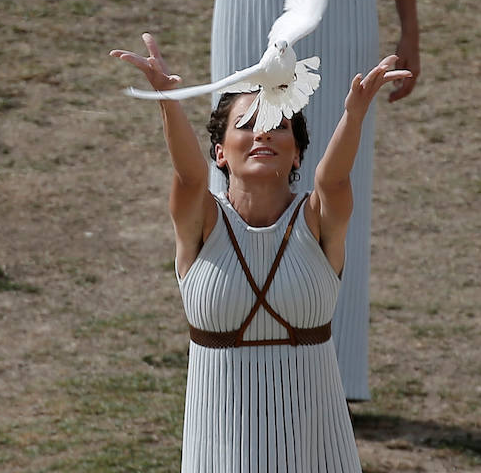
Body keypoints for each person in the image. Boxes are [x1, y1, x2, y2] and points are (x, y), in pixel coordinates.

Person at [111, 33, 411, 472]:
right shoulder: (202, 221)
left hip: (314, 443)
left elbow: (334, 180)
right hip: (221, 442)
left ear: (296, 155)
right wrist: (167, 99)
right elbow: (189, 176)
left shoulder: (316, 219)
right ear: (220, 152)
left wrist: (354, 114)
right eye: (247, 124)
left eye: (279, 125)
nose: (263, 133)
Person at [209, 0, 420, 401]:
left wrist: (410, 25)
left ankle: (333, 367)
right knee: (246, 153)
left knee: (335, 160)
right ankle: (231, 345)